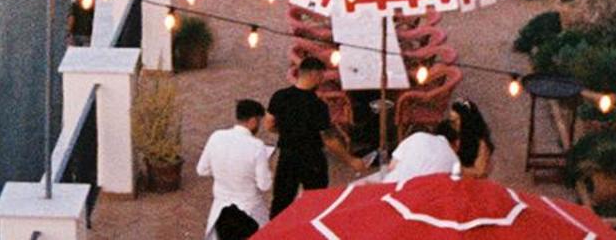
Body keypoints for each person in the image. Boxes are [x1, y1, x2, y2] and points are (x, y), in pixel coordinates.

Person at [267, 58, 360, 215]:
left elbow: (269, 124)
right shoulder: (317, 105)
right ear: (314, 74)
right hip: (312, 158)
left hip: (287, 155)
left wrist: (287, 131)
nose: (322, 80)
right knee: (316, 202)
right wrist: (350, 160)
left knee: (282, 200)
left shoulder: (280, 96)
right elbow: (329, 139)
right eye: (321, 76)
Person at [197, 100, 274, 240]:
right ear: (253, 121)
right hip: (250, 212)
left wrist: (224, 171)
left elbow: (202, 170)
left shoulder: (216, 136)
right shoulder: (257, 146)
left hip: (221, 210)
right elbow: (264, 185)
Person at [375, 121, 460, 183]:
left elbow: (391, 167)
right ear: (457, 143)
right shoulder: (455, 162)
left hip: (389, 191)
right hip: (420, 203)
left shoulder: (418, 136)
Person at [450, 100, 495, 177]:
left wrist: (458, 169)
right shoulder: (453, 138)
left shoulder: (480, 144)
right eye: (452, 121)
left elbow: (479, 171)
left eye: (456, 120)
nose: (453, 124)